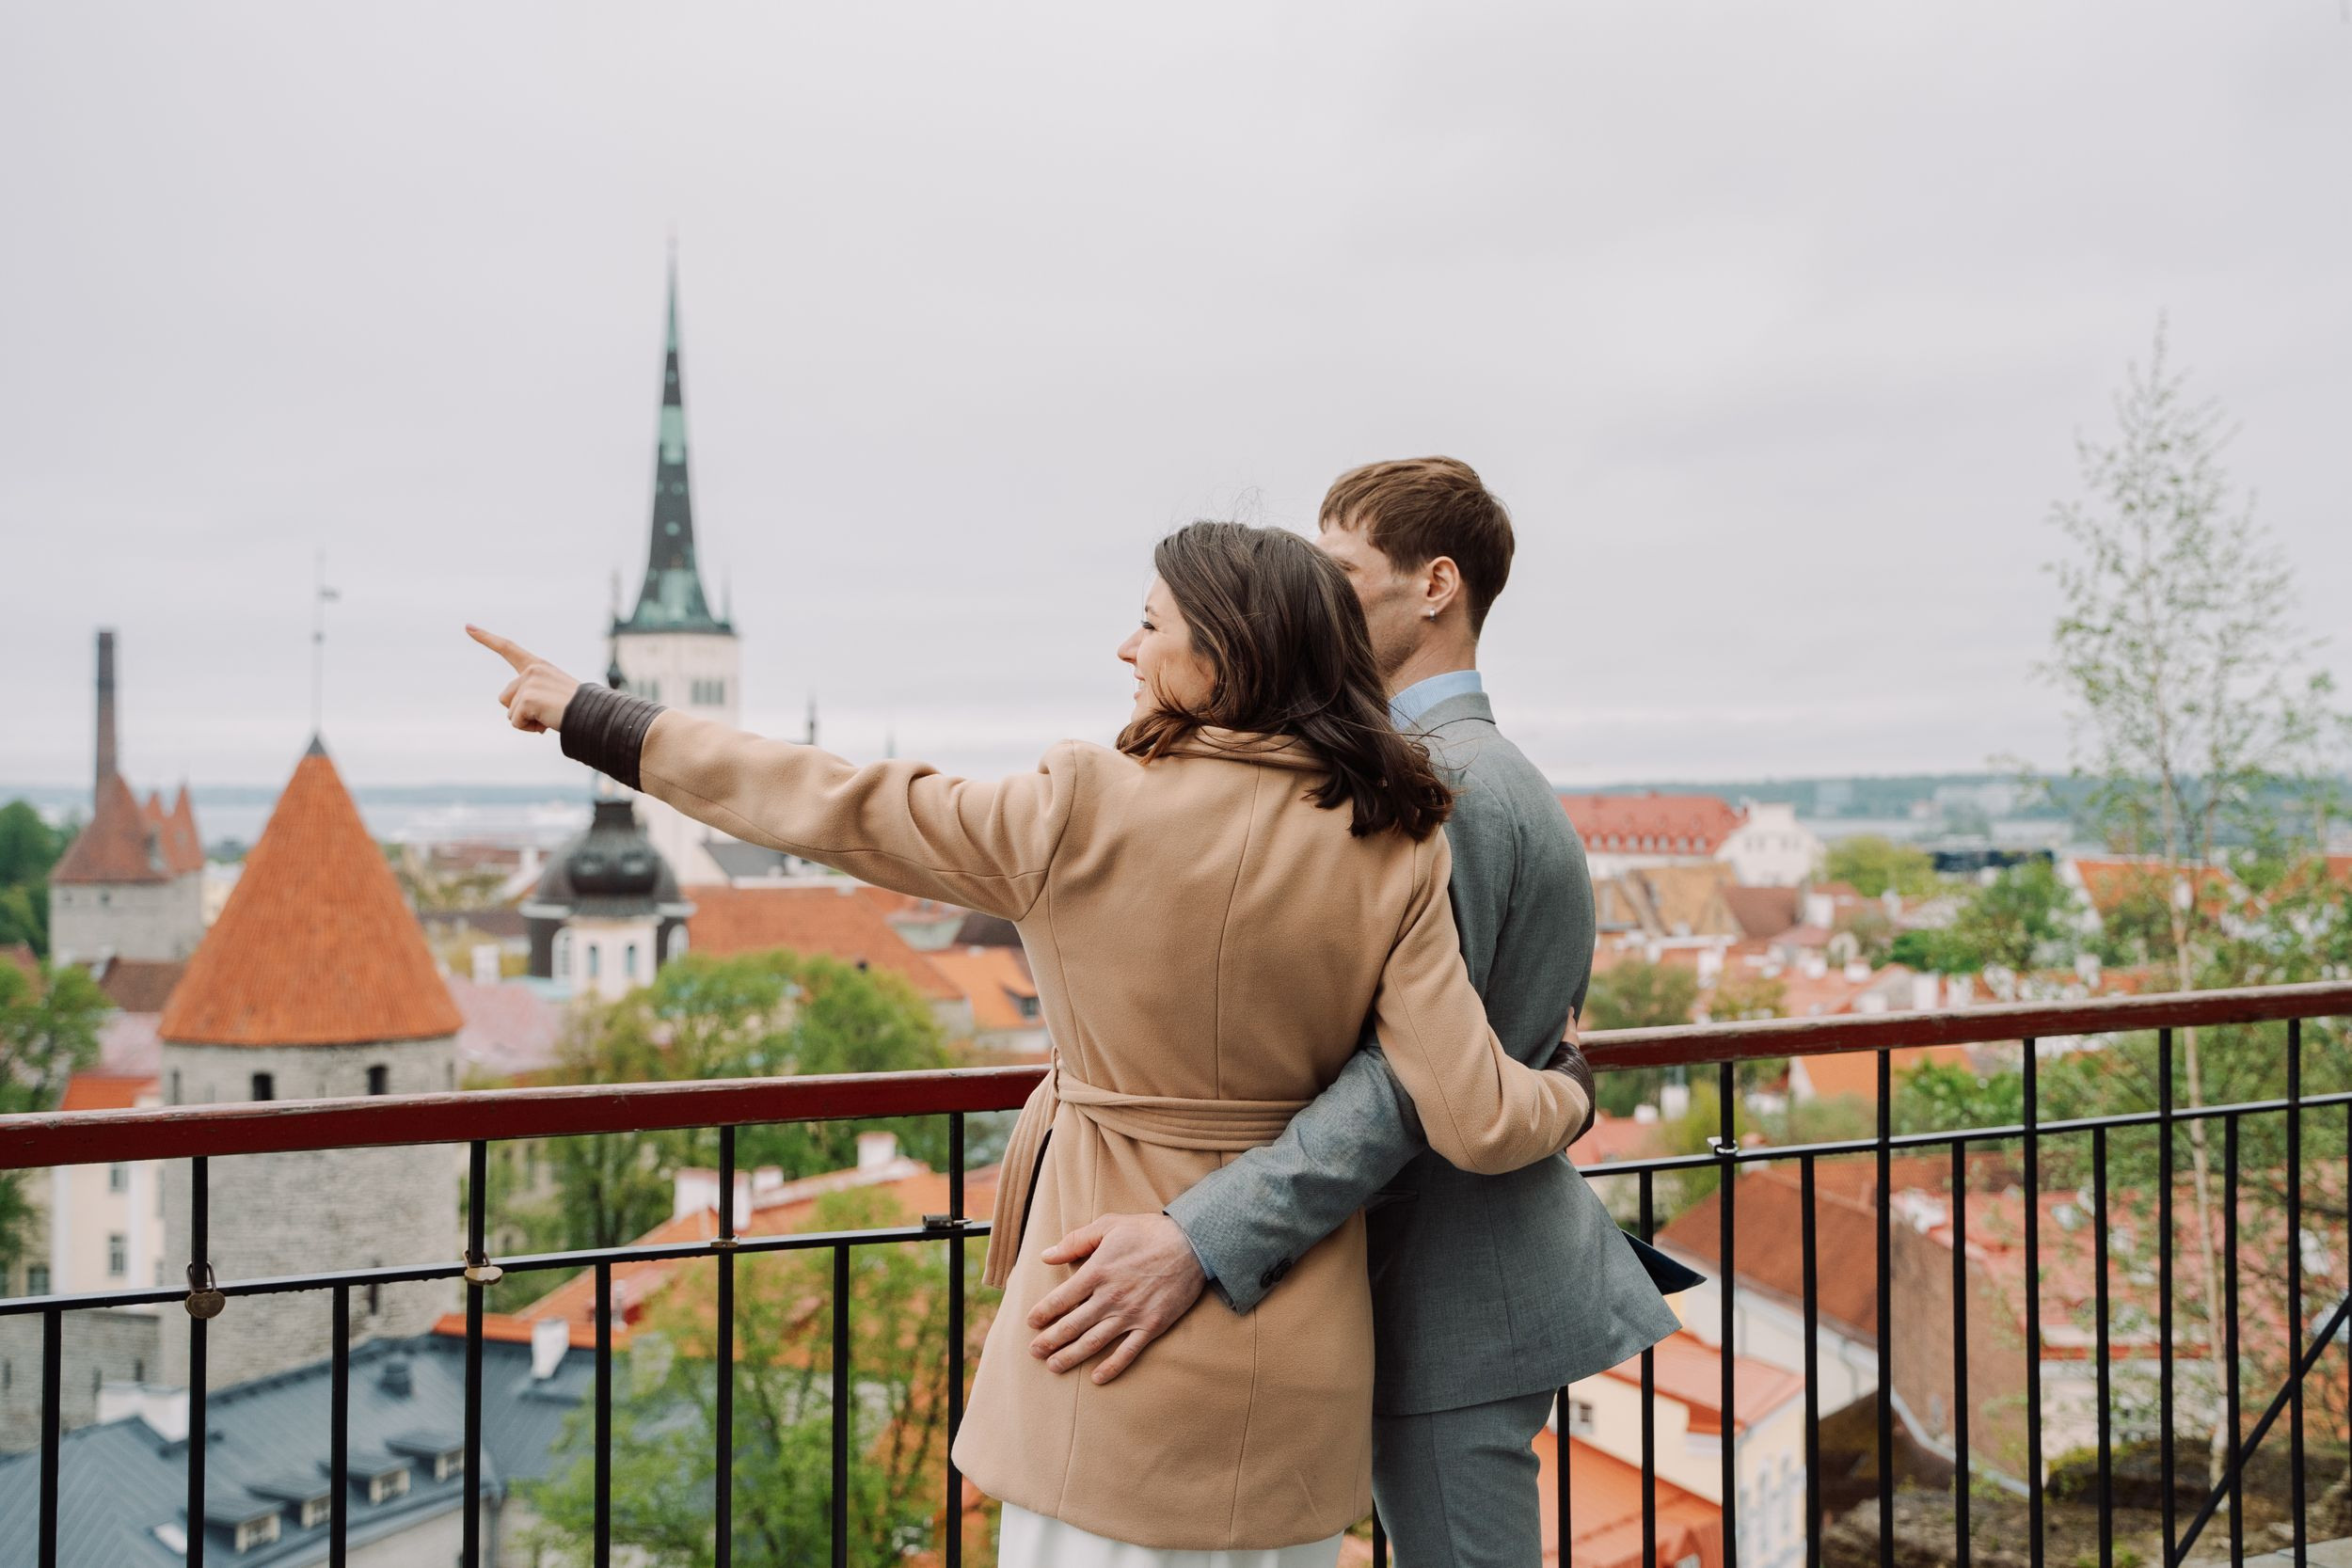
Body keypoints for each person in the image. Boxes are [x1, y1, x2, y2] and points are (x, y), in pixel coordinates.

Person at [469, 519, 1593, 1565]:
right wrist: (1570, 1087)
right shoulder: (1392, 840)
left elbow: (830, 800)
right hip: (1293, 1371)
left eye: (1151, 623)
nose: (1126, 645)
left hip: (1095, 1333)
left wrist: (593, 714)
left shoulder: (1083, 805)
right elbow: (1476, 1115)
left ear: (1224, 653)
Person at [1023, 459, 1682, 1568]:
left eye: (1339, 572)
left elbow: (1400, 1084)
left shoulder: (1440, 789)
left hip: (1446, 1297)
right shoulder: (1460, 771)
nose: (1315, 602)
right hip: (1446, 1281)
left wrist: (1195, 1237)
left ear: (1435, 586)